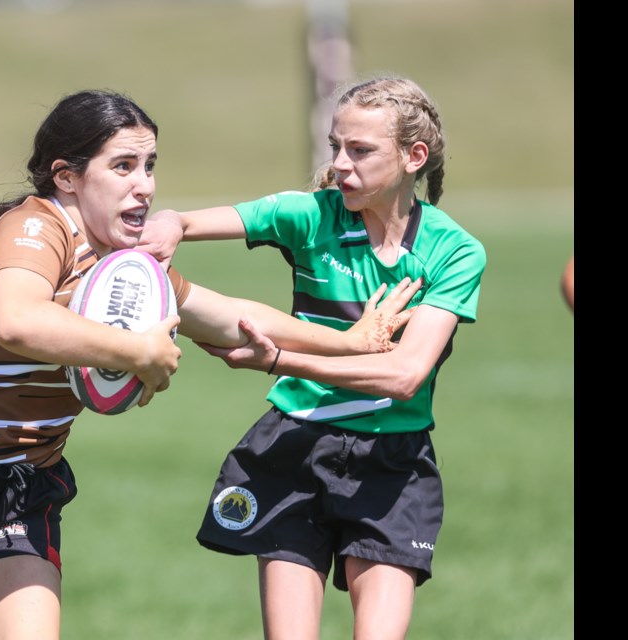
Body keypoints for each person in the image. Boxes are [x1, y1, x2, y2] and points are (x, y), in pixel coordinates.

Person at [0, 88, 421, 640]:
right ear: (68, 177)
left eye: (150, 166)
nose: (145, 187)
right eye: (123, 166)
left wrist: (354, 340)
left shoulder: (129, 265)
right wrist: (139, 351)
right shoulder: (35, 224)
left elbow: (234, 316)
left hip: (19, 492)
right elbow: (19, 321)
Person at [139, 75, 486, 640]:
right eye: (336, 146)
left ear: (413, 156)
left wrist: (278, 361)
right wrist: (169, 224)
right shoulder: (309, 215)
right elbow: (190, 221)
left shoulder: (453, 251)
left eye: (361, 150)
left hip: (391, 463)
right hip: (293, 447)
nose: (341, 164)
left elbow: (402, 375)